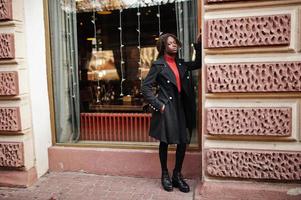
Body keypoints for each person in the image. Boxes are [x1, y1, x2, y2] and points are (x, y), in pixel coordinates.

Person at [141, 33, 201, 193]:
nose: (174, 45)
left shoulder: (181, 64)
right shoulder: (158, 65)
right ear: (163, 46)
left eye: (175, 42)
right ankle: (165, 175)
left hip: (181, 107)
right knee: (165, 142)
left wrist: (198, 45)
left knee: (182, 141)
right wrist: (158, 105)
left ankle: (177, 175)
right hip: (167, 107)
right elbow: (145, 87)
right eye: (170, 43)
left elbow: (198, 63)